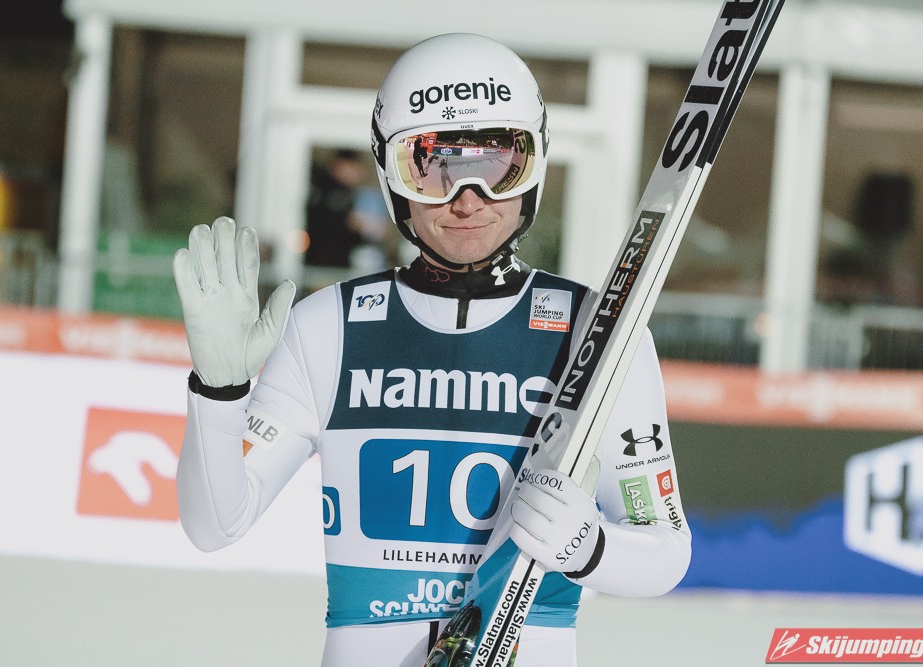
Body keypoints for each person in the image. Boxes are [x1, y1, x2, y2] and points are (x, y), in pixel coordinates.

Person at [173, 33, 691, 667]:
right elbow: (214, 525)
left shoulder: (600, 332)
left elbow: (666, 551)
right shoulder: (329, 327)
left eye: (498, 164)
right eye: (432, 166)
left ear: (534, 168)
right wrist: (219, 392)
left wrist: (590, 549)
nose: (467, 199)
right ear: (390, 178)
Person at [305, 150, 366, 267]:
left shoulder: (349, 193)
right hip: (322, 258)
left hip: (338, 260)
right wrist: (349, 223)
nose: (356, 174)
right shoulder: (324, 190)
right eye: (352, 168)